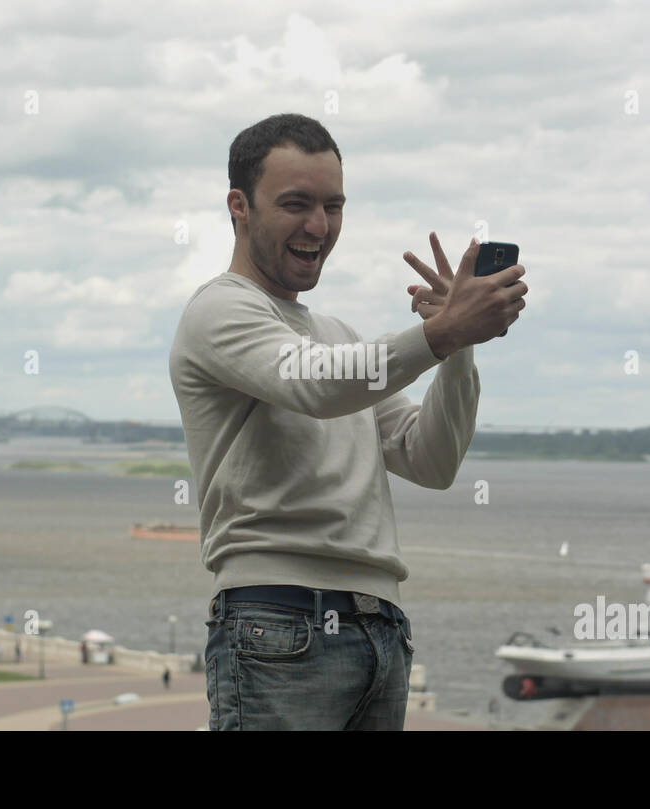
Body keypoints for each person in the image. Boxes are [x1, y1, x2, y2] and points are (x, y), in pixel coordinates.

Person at [169, 113, 526, 731]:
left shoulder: (338, 337)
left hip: (379, 626)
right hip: (276, 620)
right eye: (296, 204)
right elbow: (313, 384)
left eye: (333, 205)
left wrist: (459, 346)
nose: (319, 226)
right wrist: (441, 332)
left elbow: (430, 460)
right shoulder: (219, 310)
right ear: (239, 206)